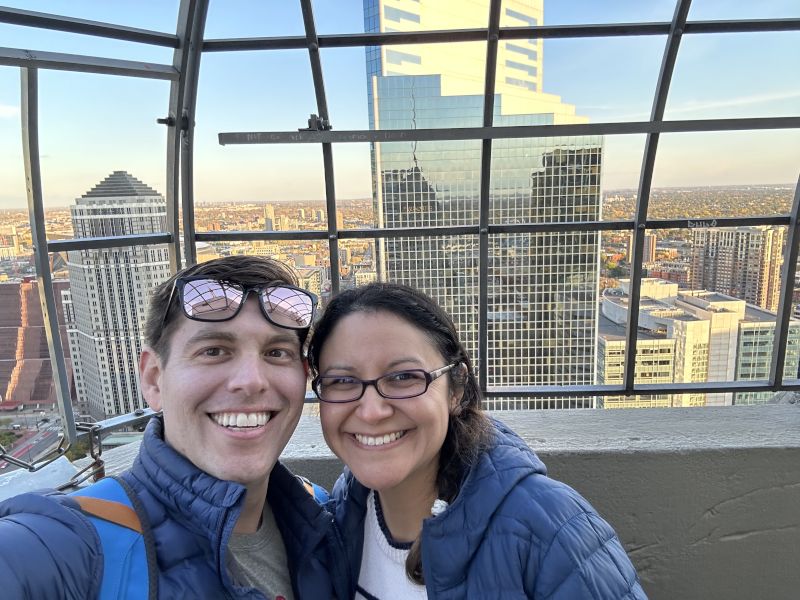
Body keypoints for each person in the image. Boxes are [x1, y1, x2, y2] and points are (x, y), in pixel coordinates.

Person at [0, 255, 349, 599]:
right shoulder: (66, 544)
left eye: (276, 353)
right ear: (153, 379)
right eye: (214, 351)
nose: (252, 381)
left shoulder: (319, 514)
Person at [307, 282, 647, 599]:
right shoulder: (343, 516)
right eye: (342, 381)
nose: (371, 411)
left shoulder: (550, 529)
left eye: (404, 377)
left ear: (455, 389)